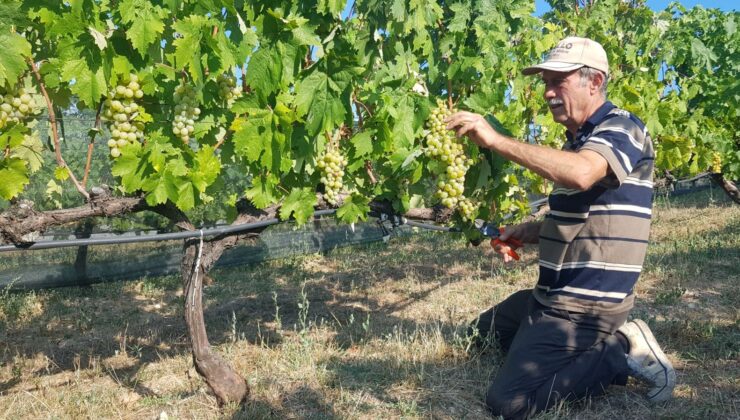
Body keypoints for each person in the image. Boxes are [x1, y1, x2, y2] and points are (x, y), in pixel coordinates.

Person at [445, 37, 675, 419]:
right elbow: (581, 213)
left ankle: (620, 347)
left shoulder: (623, 127)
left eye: (559, 82)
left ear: (595, 82)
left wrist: (496, 140)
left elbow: (583, 175)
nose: (548, 93)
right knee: (478, 337)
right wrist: (525, 232)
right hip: (550, 297)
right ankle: (569, 350)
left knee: (508, 404)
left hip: (585, 306)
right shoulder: (578, 144)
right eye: (546, 82)